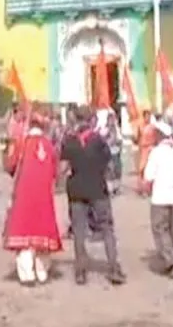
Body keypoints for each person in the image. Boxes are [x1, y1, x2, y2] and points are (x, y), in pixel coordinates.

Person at [60, 106, 126, 285]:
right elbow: (110, 167)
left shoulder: (70, 141)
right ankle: (113, 268)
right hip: (97, 188)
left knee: (79, 230)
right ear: (92, 121)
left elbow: (62, 169)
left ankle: (80, 271)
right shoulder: (98, 141)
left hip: (76, 189)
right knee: (107, 228)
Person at [3, 124, 61, 285]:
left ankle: (27, 274)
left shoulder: (22, 143)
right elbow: (56, 172)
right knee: (42, 232)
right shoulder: (49, 146)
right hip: (44, 195)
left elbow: (10, 165)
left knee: (24, 233)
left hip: (24, 194)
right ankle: (42, 272)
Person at [143, 125, 173, 278]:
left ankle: (171, 260)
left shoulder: (156, 153)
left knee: (160, 229)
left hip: (161, 197)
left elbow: (148, 176)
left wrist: (146, 187)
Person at [136, 110, 157, 197]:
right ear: (144, 117)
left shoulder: (153, 127)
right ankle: (142, 188)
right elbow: (138, 137)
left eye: (149, 116)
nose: (148, 118)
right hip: (143, 149)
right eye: (146, 116)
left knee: (151, 168)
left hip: (151, 148)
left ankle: (149, 189)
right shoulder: (140, 126)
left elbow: (156, 138)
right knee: (142, 169)